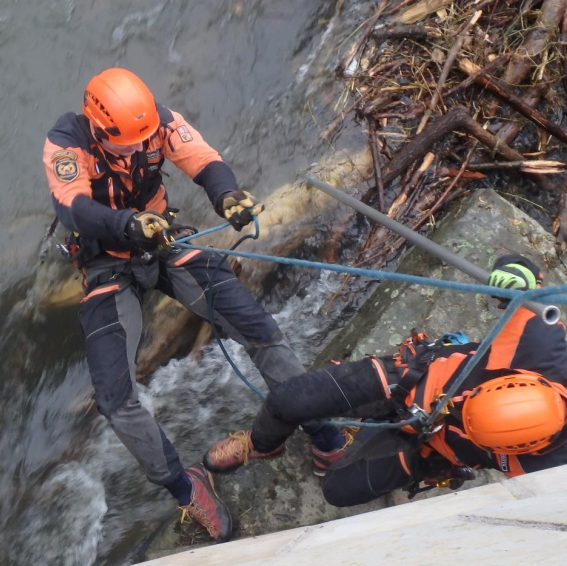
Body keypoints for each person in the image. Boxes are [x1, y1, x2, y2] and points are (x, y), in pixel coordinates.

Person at [42, 68, 347, 541]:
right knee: (115, 400)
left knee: (260, 329)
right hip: (108, 264)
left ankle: (323, 434)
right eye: (128, 145)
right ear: (100, 130)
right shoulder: (67, 142)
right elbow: (73, 206)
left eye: (146, 139)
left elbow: (201, 157)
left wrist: (227, 196)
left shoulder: (154, 123)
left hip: (163, 242)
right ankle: (186, 489)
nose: (141, 148)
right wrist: (127, 225)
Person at [203, 254, 567, 506]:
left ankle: (352, 439)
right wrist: (517, 277)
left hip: (431, 449)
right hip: (411, 380)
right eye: (467, 406)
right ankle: (262, 444)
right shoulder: (536, 343)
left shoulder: (550, 468)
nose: (459, 411)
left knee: (337, 491)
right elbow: (527, 276)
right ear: (503, 385)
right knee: (289, 400)